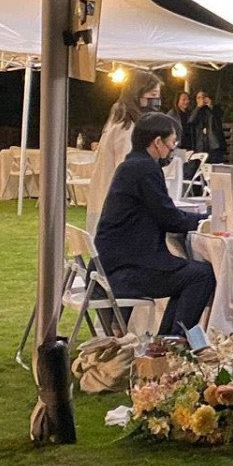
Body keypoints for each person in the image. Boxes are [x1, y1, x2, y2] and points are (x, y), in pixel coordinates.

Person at [93, 112, 215, 336]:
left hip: (109, 267)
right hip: (124, 271)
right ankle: (172, 343)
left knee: (191, 274)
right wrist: (207, 219)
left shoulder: (131, 165)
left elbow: (163, 212)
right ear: (157, 142)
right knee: (202, 275)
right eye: (172, 143)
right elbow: (169, 218)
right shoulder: (145, 169)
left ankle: (166, 341)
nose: (172, 149)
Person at [85, 71, 163, 233]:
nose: (157, 100)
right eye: (153, 94)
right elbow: (128, 173)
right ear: (137, 94)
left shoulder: (120, 122)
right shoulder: (127, 129)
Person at [187, 90, 228, 163]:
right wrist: (198, 107)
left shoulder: (214, 109)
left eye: (203, 97)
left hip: (214, 145)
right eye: (198, 98)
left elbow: (219, 117)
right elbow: (191, 121)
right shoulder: (195, 110)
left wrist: (210, 106)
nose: (201, 100)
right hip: (201, 146)